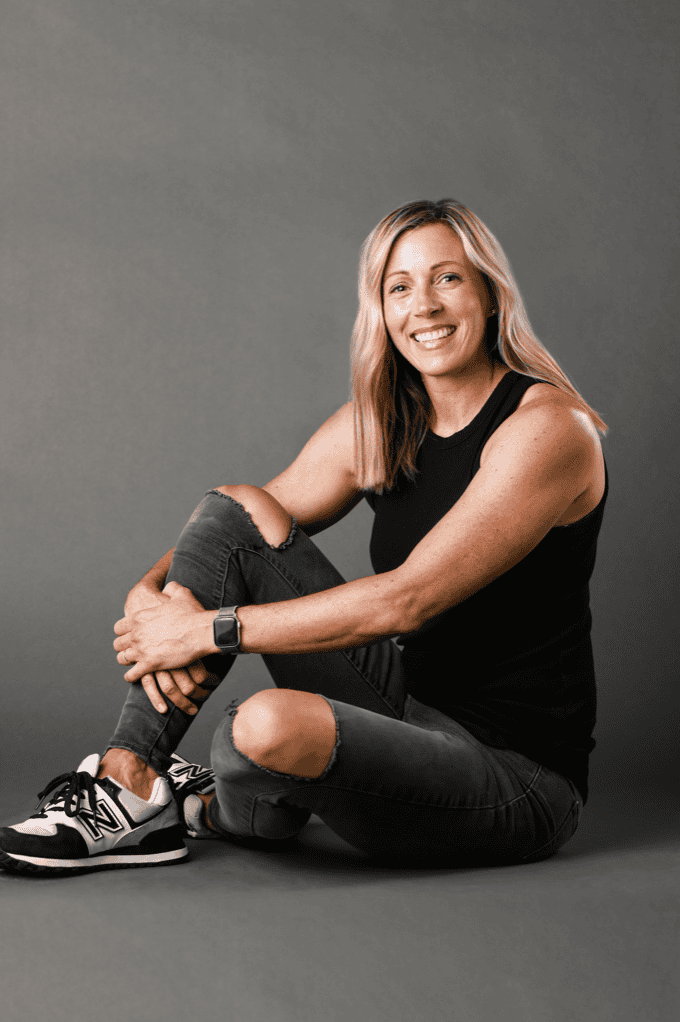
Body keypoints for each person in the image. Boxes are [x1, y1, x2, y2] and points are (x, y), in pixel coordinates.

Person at [0, 198, 608, 876]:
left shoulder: (548, 429)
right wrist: (148, 592)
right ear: (381, 309)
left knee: (263, 727)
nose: (424, 307)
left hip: (515, 777)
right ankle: (131, 785)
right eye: (399, 287)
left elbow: (406, 601)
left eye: (448, 279)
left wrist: (204, 632)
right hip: (404, 709)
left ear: (490, 295)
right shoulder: (383, 424)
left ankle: (229, 801)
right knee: (233, 509)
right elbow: (231, 532)